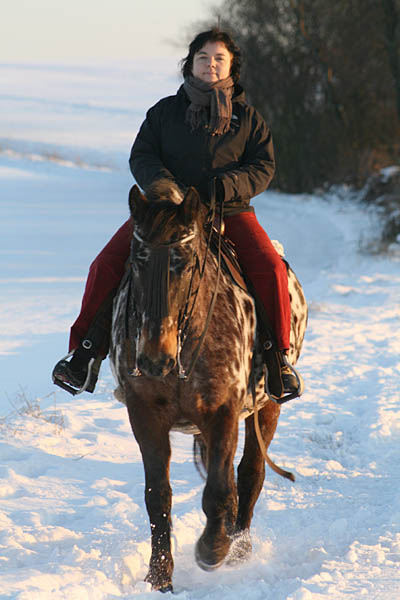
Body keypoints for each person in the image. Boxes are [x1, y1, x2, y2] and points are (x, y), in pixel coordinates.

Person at [52, 29, 300, 398]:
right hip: (164, 212)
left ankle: (277, 359)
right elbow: (142, 155)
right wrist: (164, 186)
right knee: (106, 264)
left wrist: (225, 187)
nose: (211, 64)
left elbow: (262, 167)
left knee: (271, 267)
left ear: (232, 67)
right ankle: (84, 355)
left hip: (228, 210)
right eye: (203, 57)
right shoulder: (163, 112)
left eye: (219, 58)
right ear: (190, 64)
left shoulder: (249, 119)